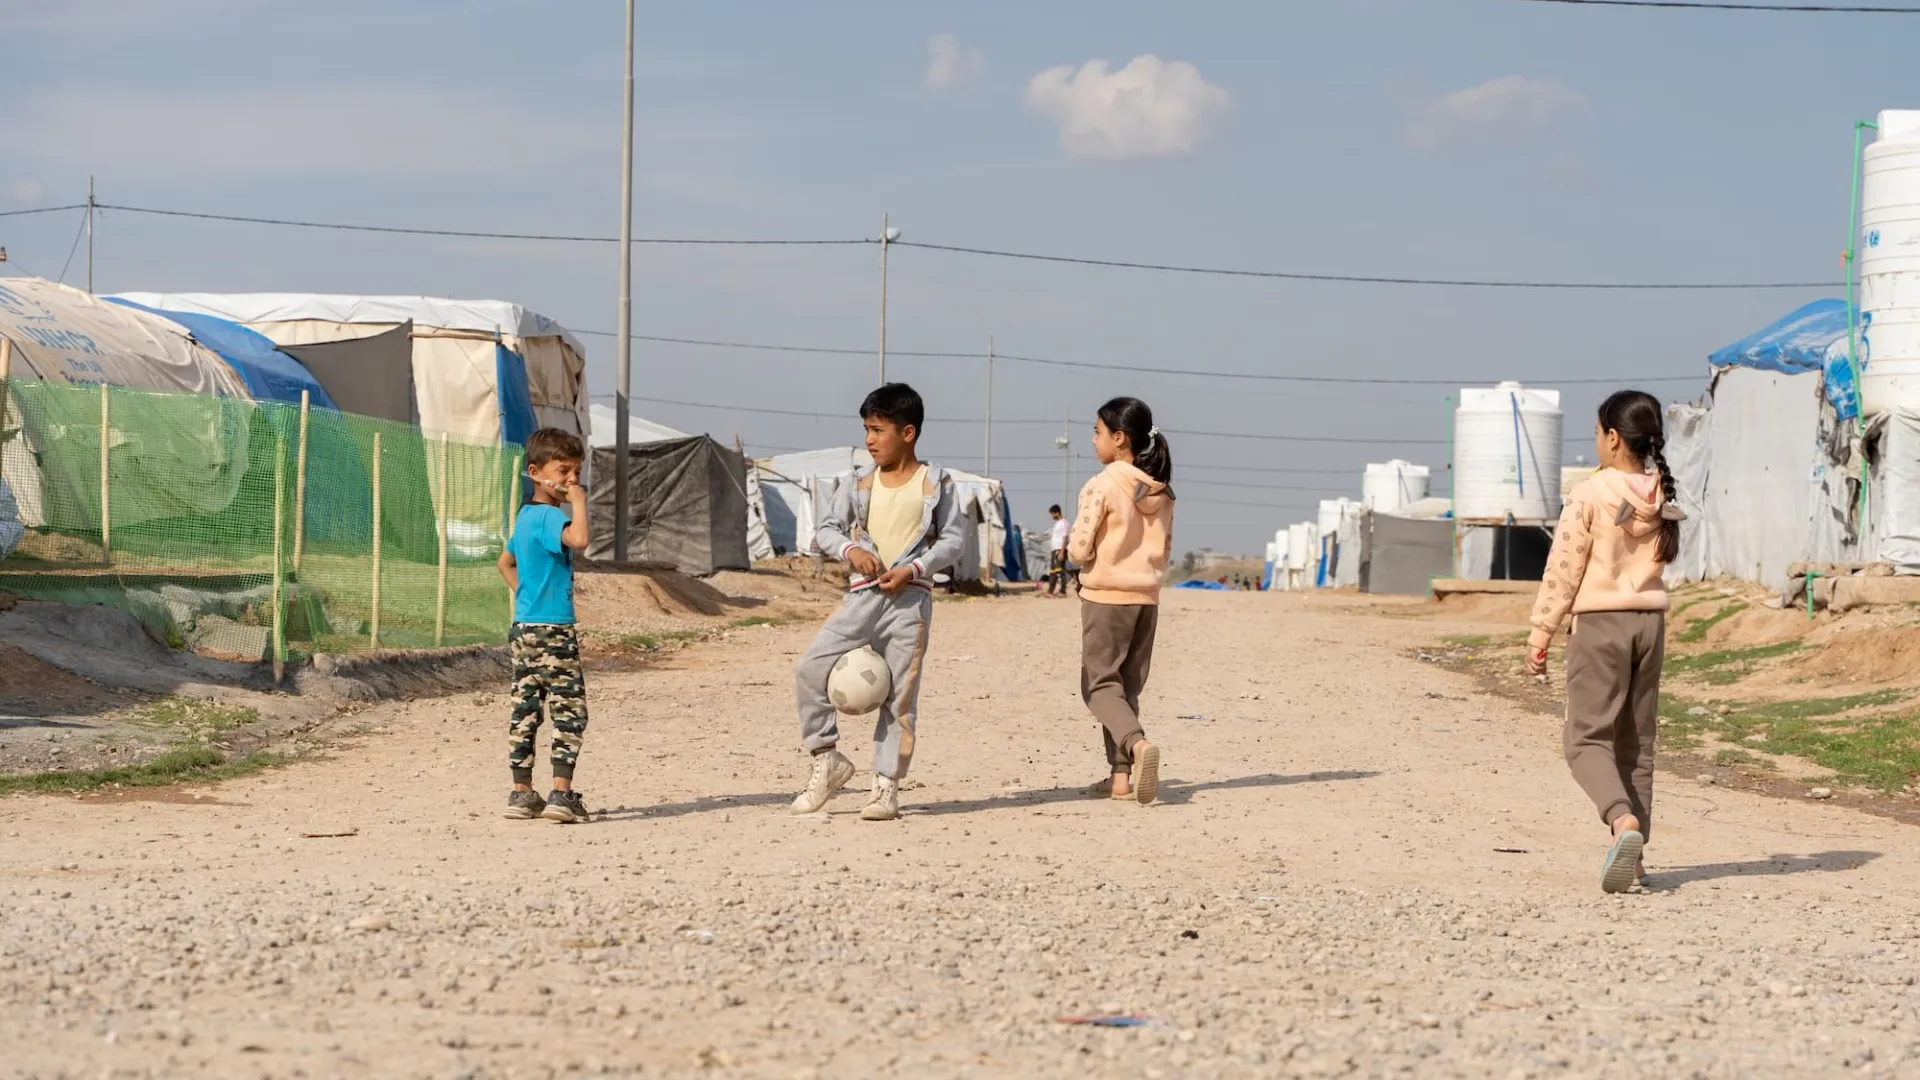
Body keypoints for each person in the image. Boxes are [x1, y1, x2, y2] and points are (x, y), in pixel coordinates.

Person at [1525, 390, 1685, 893]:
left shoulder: (1591, 493)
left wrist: (1541, 631)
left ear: (1613, 438)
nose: (1596, 442)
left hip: (1600, 625)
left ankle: (1622, 823)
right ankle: (1635, 861)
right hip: (1650, 626)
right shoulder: (1662, 492)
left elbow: (1564, 567)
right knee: (1637, 744)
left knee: (1585, 741)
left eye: (1597, 433)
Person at [790, 383, 969, 821]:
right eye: (866, 429)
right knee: (810, 668)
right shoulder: (858, 483)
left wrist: (915, 569)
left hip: (909, 605)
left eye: (877, 430)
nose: (869, 439)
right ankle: (827, 758)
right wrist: (852, 551)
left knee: (900, 698)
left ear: (907, 433)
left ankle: (885, 786)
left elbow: (954, 540)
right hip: (861, 600)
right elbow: (828, 528)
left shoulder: (936, 484)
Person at [1070, 396, 1175, 805]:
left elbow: (1079, 548)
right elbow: (1165, 551)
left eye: (1097, 432)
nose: (1093, 440)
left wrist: (1082, 556)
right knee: (1124, 689)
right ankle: (1119, 780)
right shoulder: (1162, 491)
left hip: (1106, 597)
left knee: (1097, 686)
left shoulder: (1104, 483)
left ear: (1119, 438)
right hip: (1146, 600)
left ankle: (1137, 745)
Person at [496, 428, 594, 824]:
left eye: (577, 473)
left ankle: (521, 794)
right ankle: (561, 794)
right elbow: (581, 539)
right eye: (564, 471)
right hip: (554, 631)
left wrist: (526, 596)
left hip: (524, 629)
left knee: (526, 709)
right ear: (536, 472)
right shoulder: (553, 516)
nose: (572, 480)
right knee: (569, 710)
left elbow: (505, 563)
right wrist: (580, 502)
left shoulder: (523, 517)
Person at [1046, 504, 1070, 597]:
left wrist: (1062, 551)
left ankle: (1063, 591)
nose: (1051, 516)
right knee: (1053, 572)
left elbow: (1065, 537)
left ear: (1057, 513)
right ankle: (1050, 591)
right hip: (1054, 550)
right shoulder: (1057, 524)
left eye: (1052, 514)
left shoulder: (1064, 523)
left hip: (1059, 550)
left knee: (1060, 571)